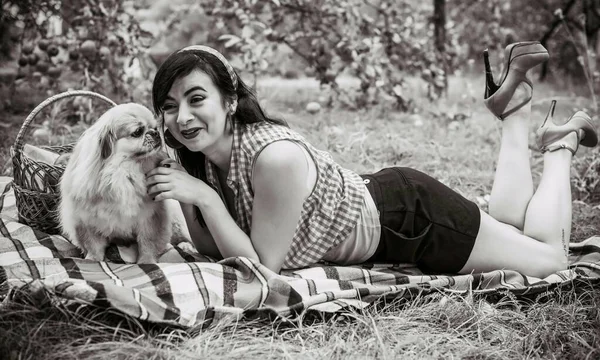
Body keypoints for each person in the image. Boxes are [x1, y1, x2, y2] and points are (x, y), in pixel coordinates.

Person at [146, 43, 598, 277]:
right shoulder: (199, 157)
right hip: (383, 206)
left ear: (229, 102)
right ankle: (515, 113)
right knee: (508, 224)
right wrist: (193, 192)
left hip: (411, 220)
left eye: (196, 98)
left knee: (551, 261)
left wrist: (203, 198)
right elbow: (215, 249)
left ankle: (560, 144)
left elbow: (262, 270)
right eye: (169, 105)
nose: (181, 117)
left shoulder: (273, 157)